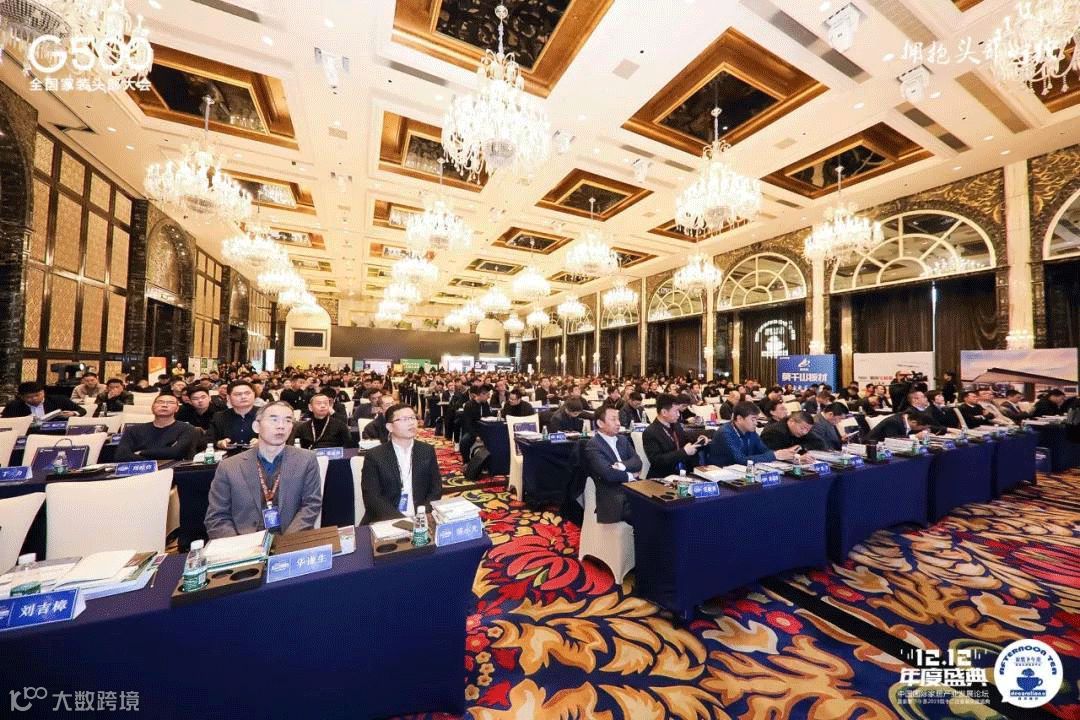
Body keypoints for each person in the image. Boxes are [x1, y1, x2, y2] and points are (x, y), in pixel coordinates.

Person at [205, 401, 322, 538]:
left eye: (288, 420)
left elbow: (311, 505)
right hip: (245, 541)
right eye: (274, 420)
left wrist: (286, 542)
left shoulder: (306, 459)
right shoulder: (229, 466)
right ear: (256, 426)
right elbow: (217, 517)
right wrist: (240, 546)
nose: (281, 426)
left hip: (290, 538)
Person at [359, 403, 442, 524]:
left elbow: (436, 488)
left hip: (421, 517)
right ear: (389, 427)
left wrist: (422, 513)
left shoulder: (426, 450)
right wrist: (402, 521)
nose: (411, 423)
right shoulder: (375, 456)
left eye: (413, 418)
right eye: (404, 419)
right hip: (387, 519)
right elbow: (372, 497)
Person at [583, 406, 643, 523]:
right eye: (613, 419)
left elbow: (638, 462)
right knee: (645, 512)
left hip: (634, 488)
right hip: (613, 494)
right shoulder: (593, 445)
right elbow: (608, 474)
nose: (618, 423)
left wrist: (622, 466)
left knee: (659, 505)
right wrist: (631, 475)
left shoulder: (623, 439)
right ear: (600, 423)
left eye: (618, 419)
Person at [708, 401, 801, 466]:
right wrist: (774, 455)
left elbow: (764, 450)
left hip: (745, 470)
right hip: (723, 472)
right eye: (753, 419)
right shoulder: (725, 433)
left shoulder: (750, 431)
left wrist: (784, 455)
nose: (756, 423)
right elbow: (740, 460)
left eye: (757, 419)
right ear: (739, 419)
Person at [114, 394, 200, 462]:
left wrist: (142, 452)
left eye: (170, 403)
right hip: (139, 472)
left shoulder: (187, 428)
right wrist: (159, 457)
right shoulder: (133, 430)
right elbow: (121, 456)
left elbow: (175, 452)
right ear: (152, 407)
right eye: (160, 402)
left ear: (177, 409)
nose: (164, 405)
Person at [642, 393, 702, 478]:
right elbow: (657, 461)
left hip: (684, 473)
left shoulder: (676, 425)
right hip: (663, 476)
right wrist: (684, 452)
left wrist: (698, 440)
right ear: (664, 412)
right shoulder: (650, 432)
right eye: (675, 411)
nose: (678, 414)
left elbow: (685, 440)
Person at [207, 380, 260, 449]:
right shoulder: (219, 417)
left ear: (254, 395)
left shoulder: (266, 414)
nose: (243, 397)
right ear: (228, 398)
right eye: (238, 394)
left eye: (247, 393)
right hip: (229, 455)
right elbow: (208, 440)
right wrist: (219, 443)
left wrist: (262, 442)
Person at [2, 381, 86, 419]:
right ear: (21, 397)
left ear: (43, 392)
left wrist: (73, 413)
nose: (34, 399)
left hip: (56, 433)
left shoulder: (59, 400)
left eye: (37, 395)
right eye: (29, 397)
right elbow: (5, 422)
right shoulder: (14, 406)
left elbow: (82, 410)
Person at [865, 410, 933, 443]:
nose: (921, 430)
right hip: (873, 445)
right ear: (914, 422)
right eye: (922, 428)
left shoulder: (908, 419)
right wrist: (915, 436)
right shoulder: (893, 422)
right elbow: (892, 438)